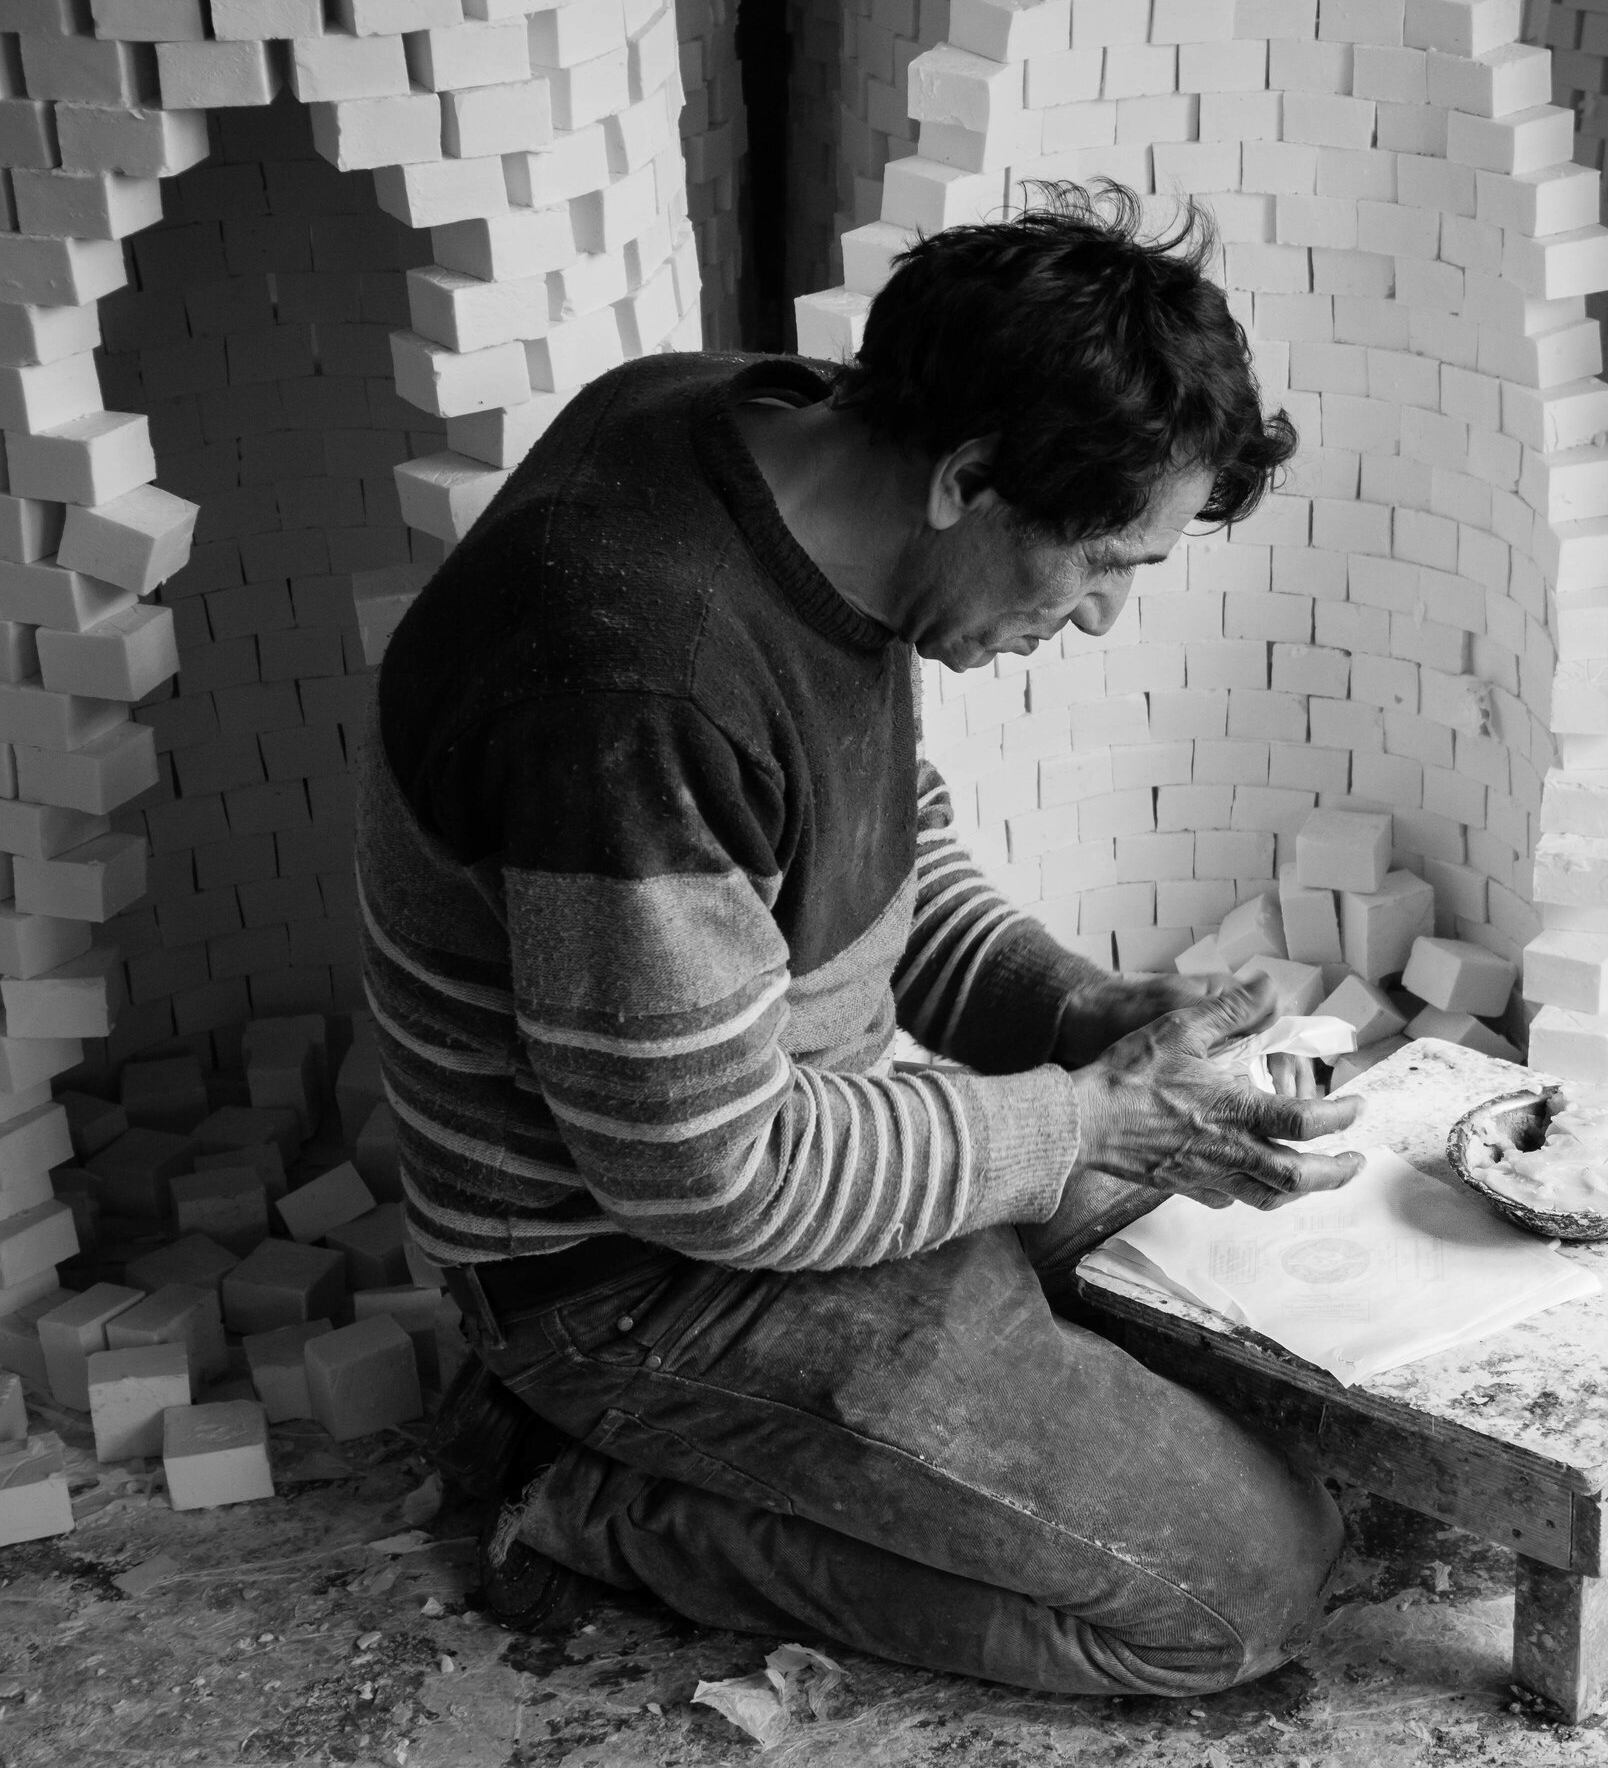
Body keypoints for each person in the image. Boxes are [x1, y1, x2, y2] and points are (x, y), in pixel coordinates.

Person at [357, 183, 1370, 1697]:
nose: (1100, 622)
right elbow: (718, 1173)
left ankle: (878, 1407)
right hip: (634, 1272)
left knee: (1299, 1372)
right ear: (968, 475)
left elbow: (876, 852)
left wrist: (1079, 1018)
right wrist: (1080, 1121)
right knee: (1248, 1589)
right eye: (1104, 565)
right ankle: (592, 1493)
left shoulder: (787, 454)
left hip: (773, 1159)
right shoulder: (638, 681)